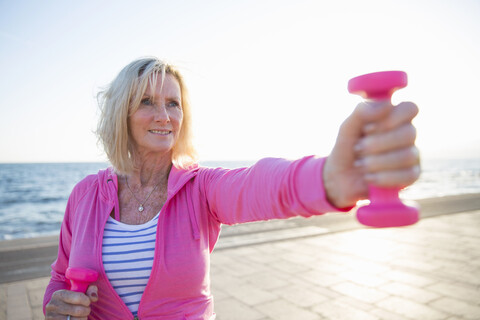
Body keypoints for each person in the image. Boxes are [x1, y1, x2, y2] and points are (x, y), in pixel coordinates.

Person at [43, 57, 420, 319]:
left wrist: (330, 178)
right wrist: (55, 306)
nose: (164, 115)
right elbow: (61, 277)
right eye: (147, 101)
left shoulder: (201, 189)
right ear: (122, 115)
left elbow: (258, 184)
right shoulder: (85, 195)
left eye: (173, 103)